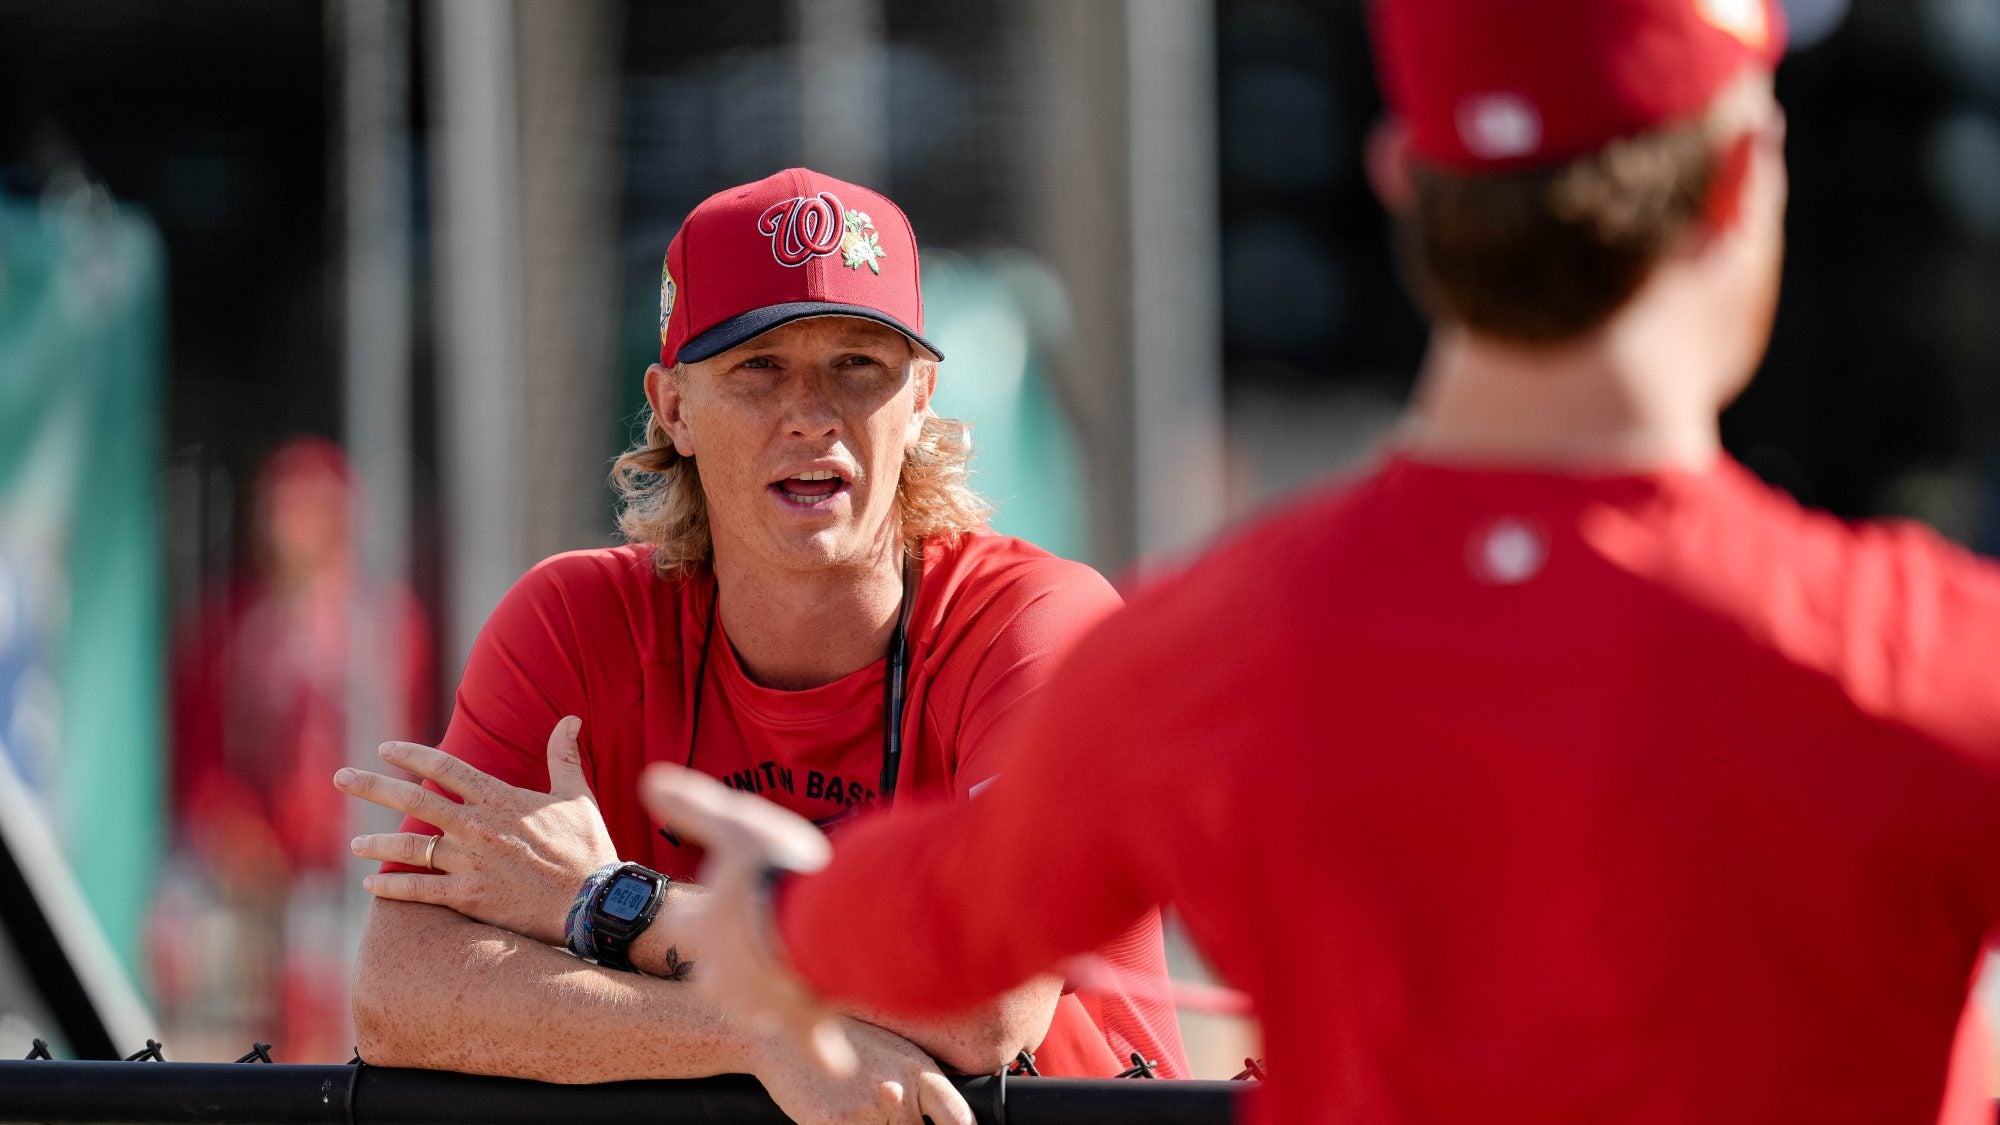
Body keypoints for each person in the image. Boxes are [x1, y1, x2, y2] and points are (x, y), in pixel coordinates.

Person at [638, 4, 2000, 1123]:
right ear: (1740, 180)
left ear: (1407, 183)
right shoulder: (1929, 652)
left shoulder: (1209, 645)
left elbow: (937, 916)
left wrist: (772, 905)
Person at [333, 167, 1187, 1123]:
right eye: (758, 366)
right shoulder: (570, 622)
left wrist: (612, 904)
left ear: (921, 400)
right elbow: (401, 992)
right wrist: (759, 1036)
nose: (811, 412)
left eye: (858, 365)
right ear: (673, 408)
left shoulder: (1037, 622)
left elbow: (989, 1005)